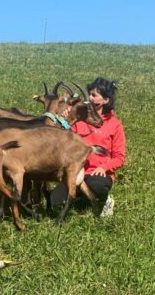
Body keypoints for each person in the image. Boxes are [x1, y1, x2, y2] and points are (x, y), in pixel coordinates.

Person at [50, 77, 125, 218]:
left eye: (94, 95)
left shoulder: (115, 125)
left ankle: (104, 201)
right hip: (76, 168)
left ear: (106, 100)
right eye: (89, 94)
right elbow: (60, 141)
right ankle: (83, 199)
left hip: (97, 172)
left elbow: (119, 157)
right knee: (54, 203)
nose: (89, 97)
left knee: (97, 186)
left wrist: (104, 167)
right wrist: (66, 119)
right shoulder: (78, 119)